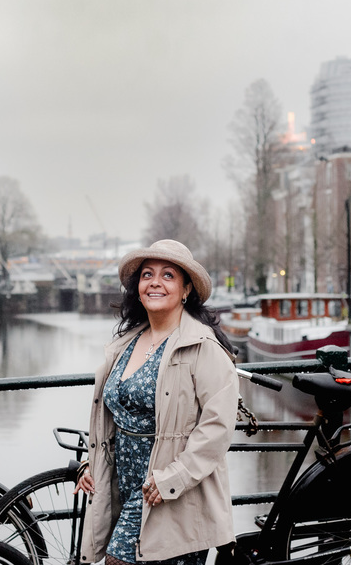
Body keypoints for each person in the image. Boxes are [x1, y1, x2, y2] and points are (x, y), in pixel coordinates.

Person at [77, 239, 238, 565]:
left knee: (116, 561)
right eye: (147, 274)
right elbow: (108, 414)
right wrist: (92, 463)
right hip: (123, 486)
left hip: (167, 492)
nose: (155, 282)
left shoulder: (201, 346)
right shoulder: (125, 343)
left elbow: (217, 427)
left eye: (168, 276)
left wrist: (174, 479)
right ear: (138, 288)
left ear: (185, 289)